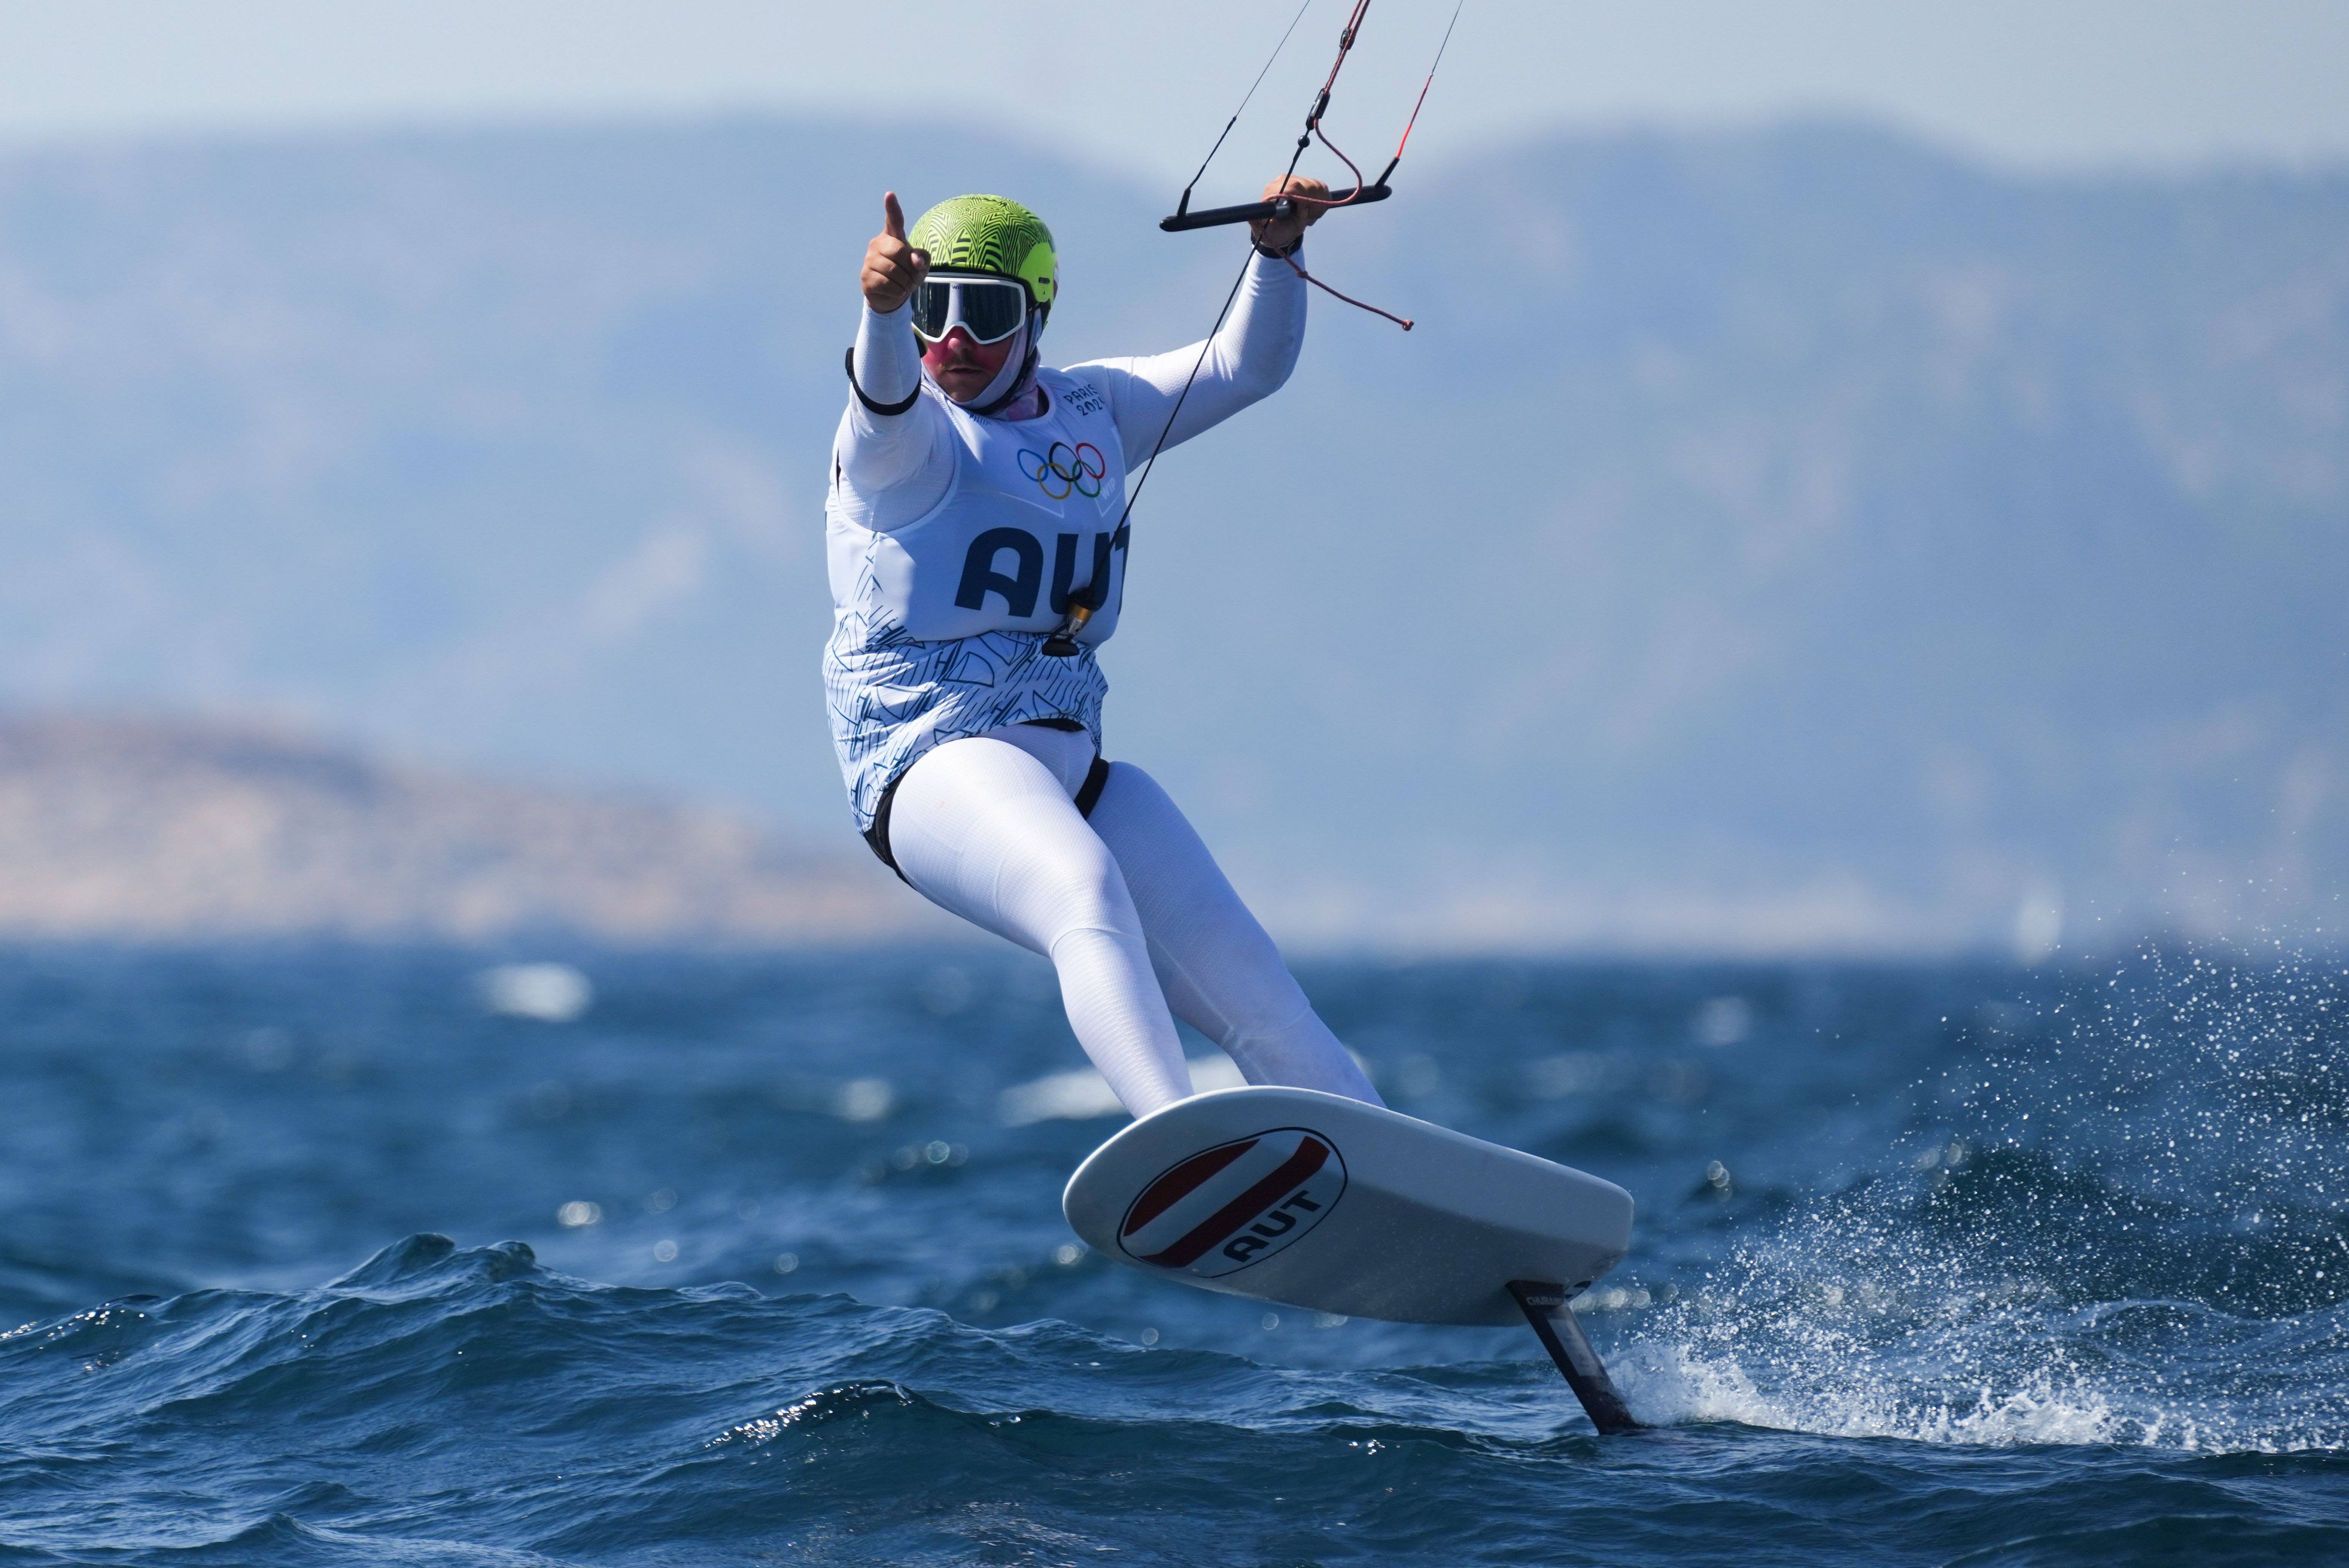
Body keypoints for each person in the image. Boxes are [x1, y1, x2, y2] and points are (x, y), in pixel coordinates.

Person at [823, 181, 1384, 1121]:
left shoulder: (1093, 410)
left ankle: (1404, 1184)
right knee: (1080, 885)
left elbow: (1246, 367)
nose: (952, 338)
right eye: (934, 306)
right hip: (926, 760)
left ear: (1036, 317)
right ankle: (1175, 1132)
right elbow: (882, 401)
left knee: (1265, 999)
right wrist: (881, 316)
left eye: (986, 310)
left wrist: (1278, 254)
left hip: (1070, 760)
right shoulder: (903, 441)